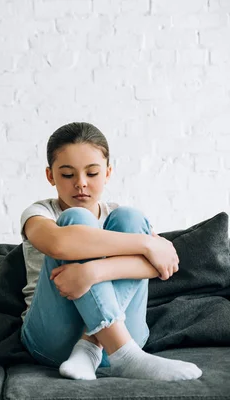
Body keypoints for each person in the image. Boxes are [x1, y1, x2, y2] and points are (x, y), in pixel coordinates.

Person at [19, 122, 202, 381]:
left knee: (131, 216)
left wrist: (92, 272)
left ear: (107, 173)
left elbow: (164, 263)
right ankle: (123, 354)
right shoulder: (39, 214)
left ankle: (97, 348)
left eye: (92, 173)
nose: (80, 184)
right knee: (76, 219)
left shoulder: (122, 218)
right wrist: (146, 244)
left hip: (127, 334)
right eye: (68, 175)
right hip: (53, 339)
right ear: (50, 176)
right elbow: (61, 244)